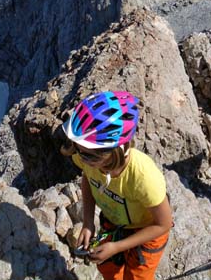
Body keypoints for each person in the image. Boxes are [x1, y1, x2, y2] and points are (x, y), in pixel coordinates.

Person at [61, 91, 172, 280]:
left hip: (147, 229)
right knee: (109, 269)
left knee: (137, 276)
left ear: (116, 150)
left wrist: (117, 247)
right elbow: (88, 179)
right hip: (114, 222)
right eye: (78, 150)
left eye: (87, 154)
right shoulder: (88, 159)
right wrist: (88, 223)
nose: (80, 159)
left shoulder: (144, 177)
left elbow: (164, 224)